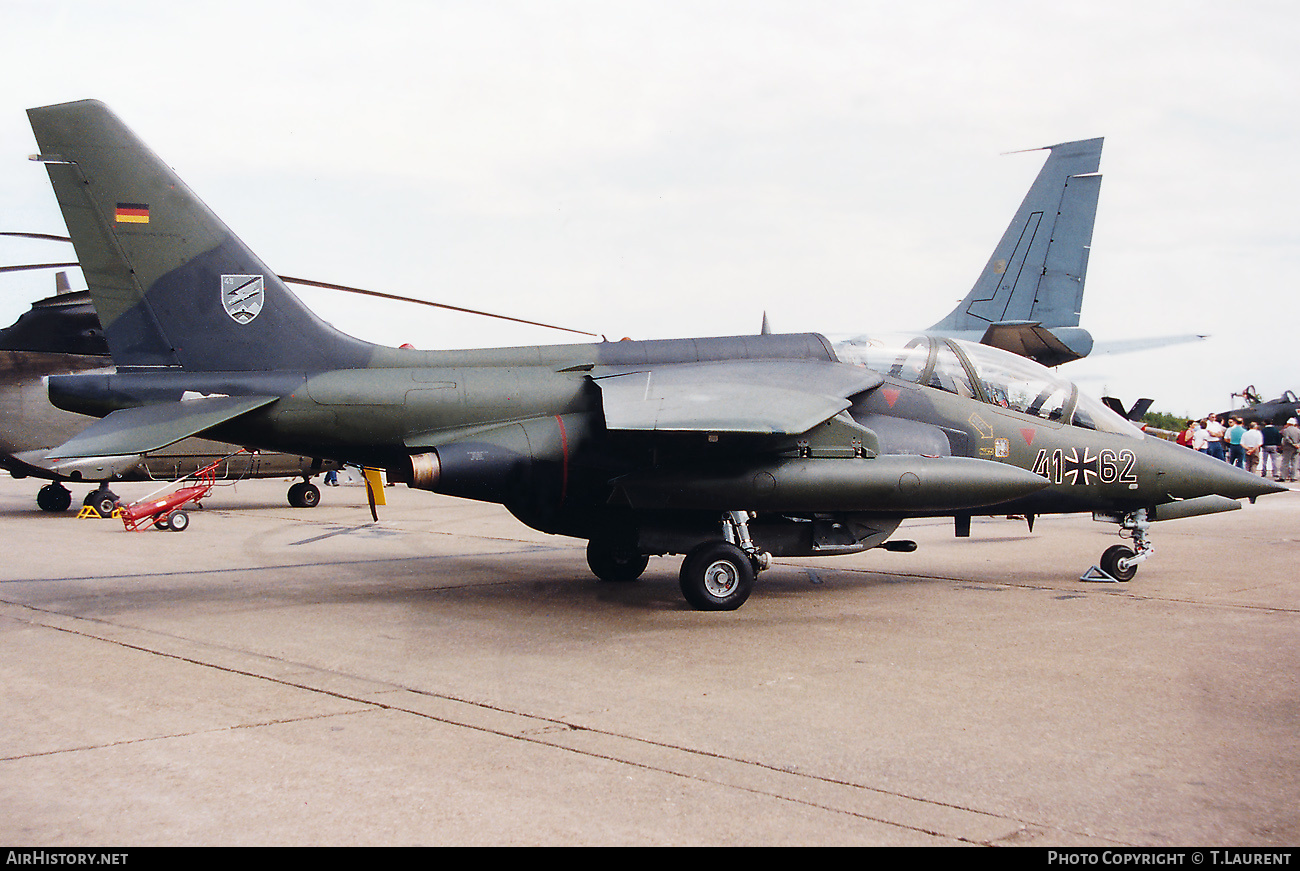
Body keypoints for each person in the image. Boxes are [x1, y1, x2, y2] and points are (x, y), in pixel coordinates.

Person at [1281, 418, 1300, 483]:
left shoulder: (1286, 430)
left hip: (1288, 448)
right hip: (1297, 448)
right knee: (1294, 463)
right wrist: (1297, 445)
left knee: (1285, 462)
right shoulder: (1298, 430)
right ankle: (1293, 477)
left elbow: (1286, 439)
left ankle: (1283, 477)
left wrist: (1293, 444)